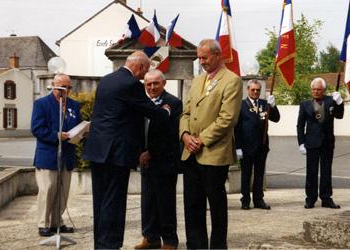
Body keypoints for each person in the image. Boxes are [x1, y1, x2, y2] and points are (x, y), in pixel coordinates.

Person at [82, 51, 170, 249]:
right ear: (139, 67)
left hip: (98, 151)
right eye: (145, 71)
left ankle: (100, 244)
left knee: (101, 201)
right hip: (116, 153)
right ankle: (110, 245)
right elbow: (150, 111)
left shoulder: (106, 80)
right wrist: (165, 111)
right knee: (114, 202)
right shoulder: (131, 84)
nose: (144, 75)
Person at [179, 39, 242, 249]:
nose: (201, 61)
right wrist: (186, 136)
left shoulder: (232, 80)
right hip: (191, 152)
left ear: (217, 55)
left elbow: (227, 118)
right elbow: (186, 112)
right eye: (199, 57)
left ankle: (217, 246)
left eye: (204, 57)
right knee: (192, 205)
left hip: (214, 153)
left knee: (216, 207)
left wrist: (202, 140)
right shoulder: (197, 80)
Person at [134, 69, 182, 250]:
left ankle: (169, 241)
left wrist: (151, 152)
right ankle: (150, 237)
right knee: (148, 202)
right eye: (148, 84)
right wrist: (140, 152)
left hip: (165, 161)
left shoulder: (173, 103)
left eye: (156, 83)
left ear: (164, 83)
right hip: (145, 161)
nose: (152, 87)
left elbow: (169, 134)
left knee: (165, 202)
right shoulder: (141, 102)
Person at [31, 73, 80, 237]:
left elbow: (77, 125)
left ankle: (56, 222)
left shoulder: (74, 105)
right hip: (48, 155)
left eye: (67, 87)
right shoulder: (41, 104)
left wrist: (82, 133)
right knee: (48, 189)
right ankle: (43, 224)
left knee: (63, 191)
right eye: (61, 87)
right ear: (53, 85)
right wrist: (56, 135)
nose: (64, 90)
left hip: (67, 155)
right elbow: (37, 129)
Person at [297, 77, 344, 209]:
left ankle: (326, 198)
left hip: (327, 142)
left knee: (326, 171)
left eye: (318, 89)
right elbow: (300, 125)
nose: (316, 91)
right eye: (314, 89)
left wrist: (339, 103)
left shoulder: (331, 100)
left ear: (323, 90)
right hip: (311, 143)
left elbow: (339, 115)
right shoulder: (305, 104)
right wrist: (301, 143)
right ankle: (310, 199)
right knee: (311, 172)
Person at [235, 79, 280, 210]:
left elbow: (276, 118)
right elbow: (237, 128)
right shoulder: (241, 105)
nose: (255, 92)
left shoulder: (265, 104)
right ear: (247, 90)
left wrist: (273, 106)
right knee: (246, 175)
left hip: (261, 146)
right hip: (246, 147)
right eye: (253, 89)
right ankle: (245, 200)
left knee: (259, 174)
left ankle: (258, 200)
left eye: (258, 90)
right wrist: (238, 147)